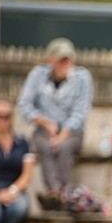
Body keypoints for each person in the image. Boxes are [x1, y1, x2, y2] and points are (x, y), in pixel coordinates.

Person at [15, 38, 92, 210]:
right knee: (45, 146)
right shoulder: (37, 74)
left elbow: (80, 112)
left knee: (63, 147)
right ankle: (57, 192)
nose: (65, 62)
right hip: (43, 130)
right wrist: (45, 123)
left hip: (72, 132)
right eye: (61, 58)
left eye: (68, 58)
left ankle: (58, 193)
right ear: (50, 59)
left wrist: (63, 134)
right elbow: (24, 105)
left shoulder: (83, 77)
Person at [0, 98, 36, 223]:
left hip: (14, 190)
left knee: (20, 208)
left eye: (6, 117)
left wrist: (11, 191)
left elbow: (27, 174)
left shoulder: (22, 143)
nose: (2, 120)